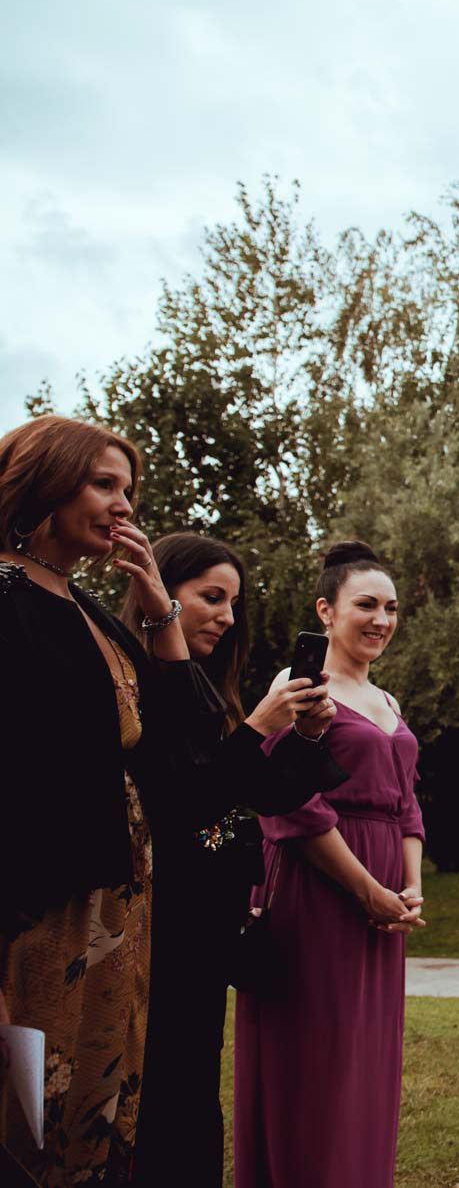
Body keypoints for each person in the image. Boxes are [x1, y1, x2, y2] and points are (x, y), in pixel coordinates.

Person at [0, 416, 232, 1184]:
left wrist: (155, 597)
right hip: (40, 912)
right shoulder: (6, 598)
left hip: (118, 906)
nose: (123, 505)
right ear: (46, 479)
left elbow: (189, 733)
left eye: (129, 490)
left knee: (100, 1124)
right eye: (105, 485)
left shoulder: (86, 608)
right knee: (31, 1124)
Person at [126, 533, 343, 1183]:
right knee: (164, 1094)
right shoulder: (134, 685)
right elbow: (187, 807)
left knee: (194, 1091)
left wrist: (303, 737)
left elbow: (248, 801)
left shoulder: (208, 693)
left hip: (207, 927)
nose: (226, 615)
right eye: (211, 597)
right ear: (161, 595)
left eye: (233, 603)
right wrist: (256, 732)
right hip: (157, 926)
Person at [233, 540, 426, 1188]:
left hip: (385, 905)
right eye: (366, 604)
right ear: (326, 609)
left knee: (368, 1062)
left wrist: (411, 886)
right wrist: (367, 889)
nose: (381, 619)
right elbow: (289, 807)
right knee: (320, 1058)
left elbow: (407, 805)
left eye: (391, 607)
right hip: (319, 890)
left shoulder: (389, 701)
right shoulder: (297, 691)